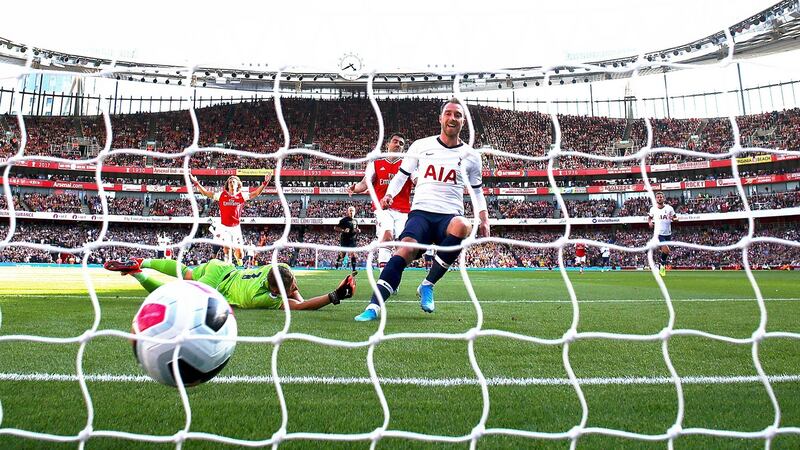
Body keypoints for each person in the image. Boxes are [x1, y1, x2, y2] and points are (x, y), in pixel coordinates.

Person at [354, 98, 490, 322]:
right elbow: (401, 176)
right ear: (440, 118)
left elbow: (476, 191)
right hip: (421, 214)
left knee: (463, 225)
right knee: (405, 250)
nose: (452, 118)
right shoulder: (420, 146)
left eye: (458, 115)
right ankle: (373, 307)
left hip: (449, 217)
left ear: (463, 121)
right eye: (448, 113)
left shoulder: (472, 156)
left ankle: (427, 284)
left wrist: (484, 219)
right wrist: (389, 194)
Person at [104, 257, 356, 310]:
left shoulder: (278, 267)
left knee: (187, 273)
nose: (294, 288)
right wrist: (334, 295)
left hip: (222, 267)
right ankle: (138, 273)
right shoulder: (259, 299)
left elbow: (295, 291)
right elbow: (299, 306)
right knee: (179, 294)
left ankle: (144, 261)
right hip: (217, 286)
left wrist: (294, 291)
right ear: (275, 291)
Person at [348, 132, 412, 268]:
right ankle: (384, 276)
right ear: (388, 144)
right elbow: (365, 183)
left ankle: (394, 275)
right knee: (387, 236)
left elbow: (417, 180)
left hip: (403, 211)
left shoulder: (408, 164)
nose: (398, 145)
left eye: (401, 144)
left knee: (402, 244)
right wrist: (355, 188)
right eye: (395, 141)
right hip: (383, 209)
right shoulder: (376, 163)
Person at [190, 174, 271, 266]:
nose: (231, 182)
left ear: (238, 185)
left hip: (236, 227)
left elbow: (256, 193)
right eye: (230, 182)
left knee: (240, 254)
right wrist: (196, 183)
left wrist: (265, 182)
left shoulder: (241, 195)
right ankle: (228, 267)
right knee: (227, 248)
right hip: (224, 227)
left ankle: (238, 257)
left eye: (233, 181)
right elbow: (205, 193)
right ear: (227, 185)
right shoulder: (221, 195)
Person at [648, 191, 679, 277]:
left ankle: (661, 265)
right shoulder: (653, 209)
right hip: (658, 233)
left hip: (668, 233)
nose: (659, 198)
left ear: (664, 198)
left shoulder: (669, 208)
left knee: (665, 252)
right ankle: (662, 266)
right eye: (658, 197)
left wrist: (674, 219)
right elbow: (649, 218)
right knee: (667, 250)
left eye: (661, 197)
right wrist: (650, 222)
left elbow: (676, 218)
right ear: (655, 199)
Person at [333, 206, 360, 272]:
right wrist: (343, 230)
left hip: (352, 240)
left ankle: (354, 270)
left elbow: (356, 228)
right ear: (348, 212)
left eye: (352, 210)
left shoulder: (355, 221)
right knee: (343, 254)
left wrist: (358, 230)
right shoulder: (344, 220)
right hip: (344, 239)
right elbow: (335, 227)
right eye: (350, 210)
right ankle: (337, 262)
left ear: (355, 212)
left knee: (353, 253)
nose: (351, 212)